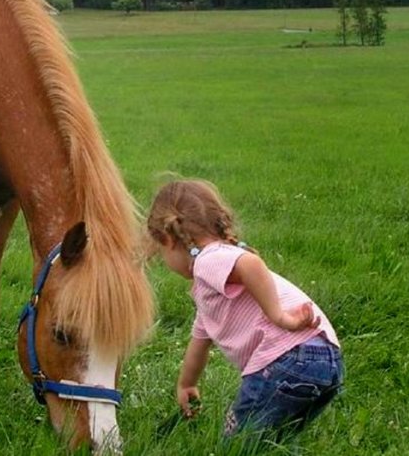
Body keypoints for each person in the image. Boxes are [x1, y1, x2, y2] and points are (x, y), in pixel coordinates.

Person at [145, 178, 343, 444]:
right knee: (275, 443)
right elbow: (199, 344)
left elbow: (250, 264)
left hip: (287, 360)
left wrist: (279, 317)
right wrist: (186, 384)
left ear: (168, 240)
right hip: (325, 361)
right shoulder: (212, 289)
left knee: (236, 443)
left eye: (159, 252)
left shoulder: (207, 260)